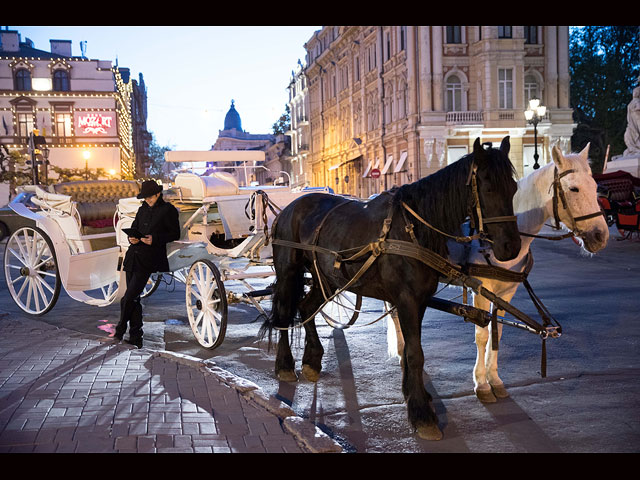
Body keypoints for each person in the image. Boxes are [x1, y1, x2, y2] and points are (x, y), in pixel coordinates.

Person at [114, 180, 180, 348]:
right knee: (133, 298)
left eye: (150, 197)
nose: (148, 200)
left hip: (150, 257)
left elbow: (175, 233)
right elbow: (135, 226)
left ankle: (120, 330)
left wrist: (155, 239)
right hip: (133, 255)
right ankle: (136, 337)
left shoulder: (168, 210)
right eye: (145, 197)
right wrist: (132, 237)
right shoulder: (142, 208)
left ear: (158, 194)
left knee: (127, 298)